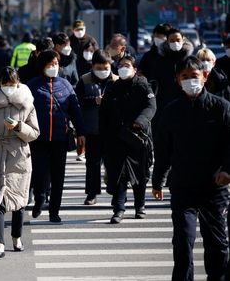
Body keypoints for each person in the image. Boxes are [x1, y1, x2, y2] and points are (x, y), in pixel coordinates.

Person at [152, 56, 230, 281]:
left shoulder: (221, 108)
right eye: (184, 77)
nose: (190, 81)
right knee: (183, 242)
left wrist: (227, 170)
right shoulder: (171, 112)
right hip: (183, 187)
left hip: (214, 188)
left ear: (205, 76)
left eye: (194, 76)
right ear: (177, 80)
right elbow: (163, 151)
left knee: (217, 244)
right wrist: (158, 181)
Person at [0, 67, 39, 259]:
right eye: (5, 85)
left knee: (19, 199)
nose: (9, 88)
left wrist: (19, 127)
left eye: (12, 84)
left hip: (18, 155)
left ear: (18, 83)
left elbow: (35, 133)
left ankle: (16, 237)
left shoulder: (27, 103)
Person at [27, 50, 85, 223]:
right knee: (38, 173)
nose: (53, 67)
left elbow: (75, 110)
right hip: (38, 138)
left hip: (60, 138)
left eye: (56, 64)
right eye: (50, 64)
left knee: (58, 176)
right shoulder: (32, 85)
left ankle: (54, 211)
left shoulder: (66, 85)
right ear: (42, 66)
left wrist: (81, 132)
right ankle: (39, 199)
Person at [99, 55, 156, 224]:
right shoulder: (112, 87)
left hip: (138, 137)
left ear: (135, 69)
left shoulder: (143, 86)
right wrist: (103, 136)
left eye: (127, 65)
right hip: (116, 138)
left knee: (140, 174)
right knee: (119, 175)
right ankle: (118, 209)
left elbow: (151, 107)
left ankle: (140, 206)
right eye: (121, 65)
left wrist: (140, 122)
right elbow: (104, 114)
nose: (124, 67)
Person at [75, 50, 118, 205]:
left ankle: (115, 193)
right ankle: (92, 194)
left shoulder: (117, 80)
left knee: (113, 164)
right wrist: (94, 101)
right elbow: (76, 102)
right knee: (92, 164)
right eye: (99, 68)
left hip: (112, 131)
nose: (103, 71)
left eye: (105, 67)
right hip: (92, 130)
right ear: (92, 66)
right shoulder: (84, 80)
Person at [150, 28, 194, 134]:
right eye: (172, 40)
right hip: (164, 105)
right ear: (167, 42)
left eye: (178, 40)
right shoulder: (160, 61)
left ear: (183, 40)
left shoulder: (189, 61)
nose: (175, 43)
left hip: (186, 105)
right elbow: (154, 83)